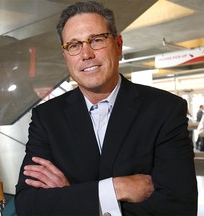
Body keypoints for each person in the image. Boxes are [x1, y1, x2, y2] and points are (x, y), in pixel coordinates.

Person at [15, 1, 198, 215]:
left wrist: (71, 195)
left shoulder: (165, 110)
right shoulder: (46, 117)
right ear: (65, 56)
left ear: (118, 45)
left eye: (97, 40)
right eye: (74, 45)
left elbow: (178, 207)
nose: (86, 54)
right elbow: (29, 205)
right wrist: (115, 188)